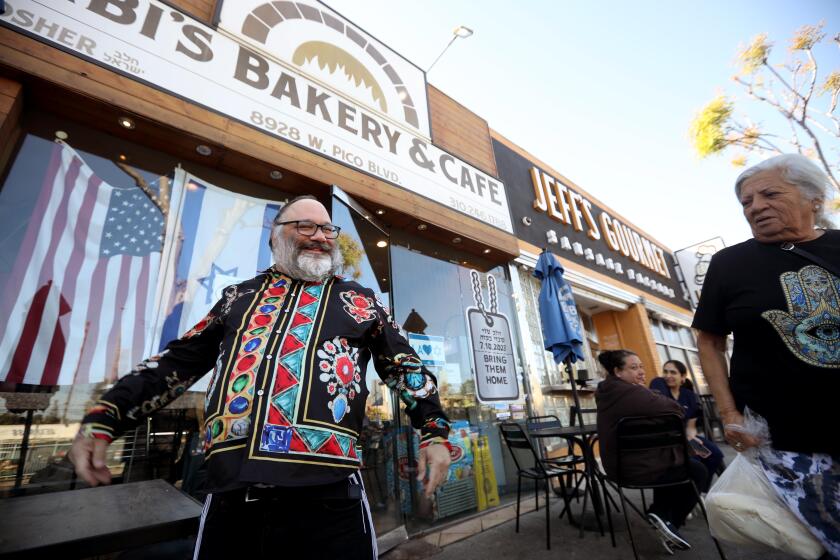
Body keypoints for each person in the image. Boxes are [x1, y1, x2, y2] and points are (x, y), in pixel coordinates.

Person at [68, 195, 452, 560]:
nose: (320, 236)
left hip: (330, 502)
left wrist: (434, 432)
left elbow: (406, 367)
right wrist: (107, 415)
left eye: (327, 229)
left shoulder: (360, 300)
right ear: (276, 234)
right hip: (232, 499)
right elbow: (177, 363)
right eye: (305, 226)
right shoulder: (239, 296)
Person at [693, 154, 839, 557]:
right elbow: (709, 341)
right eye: (746, 202)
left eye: (770, 194)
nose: (755, 206)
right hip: (783, 437)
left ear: (814, 198)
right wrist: (729, 415)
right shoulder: (729, 264)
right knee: (821, 543)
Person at [596, 349, 708, 552]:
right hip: (638, 468)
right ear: (617, 372)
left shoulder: (609, 392)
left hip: (621, 466)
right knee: (697, 471)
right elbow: (677, 410)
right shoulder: (633, 392)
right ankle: (668, 521)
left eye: (641, 366)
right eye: (633, 367)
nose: (641, 372)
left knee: (676, 466)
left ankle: (660, 516)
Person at [649, 360, 724, 486]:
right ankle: (690, 492)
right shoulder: (659, 387)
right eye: (665, 372)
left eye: (673, 372)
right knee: (695, 459)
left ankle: (701, 490)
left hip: (686, 436)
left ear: (683, 377)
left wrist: (691, 438)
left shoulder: (689, 395)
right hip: (668, 439)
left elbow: (691, 426)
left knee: (715, 454)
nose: (668, 376)